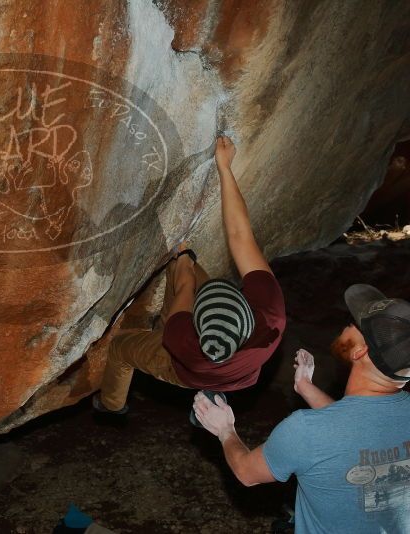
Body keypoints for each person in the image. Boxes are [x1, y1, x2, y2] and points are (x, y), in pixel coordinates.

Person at [192, 284, 410, 533]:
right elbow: (356, 431)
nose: (347, 323)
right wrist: (305, 387)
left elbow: (246, 472)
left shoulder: (305, 429)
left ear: (360, 352)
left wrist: (224, 429)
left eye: (353, 322)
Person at [93, 135, 286, 414]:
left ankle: (111, 405)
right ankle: (215, 391)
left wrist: (184, 257)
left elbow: (186, 285)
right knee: (186, 272)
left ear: (196, 321)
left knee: (122, 349)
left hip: (184, 370)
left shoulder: (182, 340)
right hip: (237, 375)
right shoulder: (272, 316)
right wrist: (225, 168)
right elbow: (240, 235)